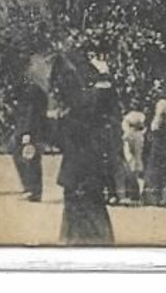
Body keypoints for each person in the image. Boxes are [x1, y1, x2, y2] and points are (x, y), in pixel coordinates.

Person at [54, 84, 116, 245]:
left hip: (75, 175)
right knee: (93, 213)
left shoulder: (73, 120)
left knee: (76, 213)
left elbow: (59, 139)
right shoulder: (105, 125)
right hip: (90, 176)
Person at [11, 81, 47, 202]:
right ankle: (30, 188)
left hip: (29, 130)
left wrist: (27, 132)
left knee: (30, 158)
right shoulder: (28, 90)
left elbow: (30, 114)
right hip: (25, 129)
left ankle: (33, 190)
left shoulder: (31, 92)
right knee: (23, 157)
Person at [119, 111, 147, 203]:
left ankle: (133, 195)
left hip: (131, 158)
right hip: (137, 159)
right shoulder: (140, 135)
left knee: (130, 177)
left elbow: (129, 148)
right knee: (134, 177)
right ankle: (134, 195)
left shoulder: (130, 135)